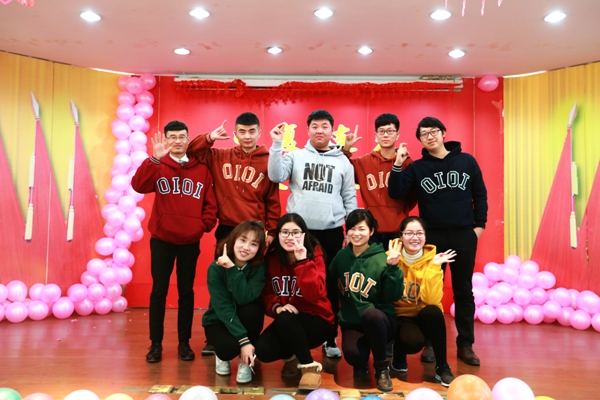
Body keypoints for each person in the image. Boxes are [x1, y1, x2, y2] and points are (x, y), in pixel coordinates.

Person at [388, 116, 488, 366]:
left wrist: (478, 228)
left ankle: (465, 345)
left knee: (463, 290)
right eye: (424, 134)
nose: (430, 136)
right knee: (429, 290)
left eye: (433, 131)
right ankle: (430, 344)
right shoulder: (418, 167)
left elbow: (480, 194)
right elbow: (396, 192)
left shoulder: (467, 161)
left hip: (464, 234)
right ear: (420, 140)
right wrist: (398, 164)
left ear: (444, 133)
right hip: (432, 236)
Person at [187, 112, 281, 355]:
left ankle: (248, 335)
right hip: (228, 229)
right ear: (235, 133)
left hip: (255, 233)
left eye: (251, 131)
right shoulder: (221, 155)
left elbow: (272, 199)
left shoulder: (268, 159)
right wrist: (209, 137)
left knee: (250, 283)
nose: (247, 136)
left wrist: (272, 230)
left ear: (259, 133)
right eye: (242, 131)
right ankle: (216, 337)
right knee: (222, 278)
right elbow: (192, 151)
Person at [268, 110, 357, 359]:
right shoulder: (295, 156)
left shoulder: (343, 162)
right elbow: (275, 175)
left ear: (332, 131)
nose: (320, 130)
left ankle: (330, 337)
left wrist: (350, 230)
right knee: (296, 284)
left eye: (325, 126)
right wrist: (277, 144)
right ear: (307, 130)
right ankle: (293, 336)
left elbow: (349, 196)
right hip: (298, 233)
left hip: (331, 232)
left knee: (328, 286)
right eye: (315, 126)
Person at [131, 120, 217, 363]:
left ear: (188, 139)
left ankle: (184, 343)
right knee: (158, 291)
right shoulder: (158, 165)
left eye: (181, 137)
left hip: (190, 241)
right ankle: (155, 344)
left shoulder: (202, 170)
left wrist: (202, 226)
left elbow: (210, 204)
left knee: (186, 292)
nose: (177, 141)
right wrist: (154, 160)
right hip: (162, 239)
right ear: (166, 140)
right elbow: (138, 186)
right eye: (172, 137)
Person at [255, 213, 334, 390]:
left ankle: (309, 368)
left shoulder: (315, 255)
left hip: (317, 320)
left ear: (304, 234)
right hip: (287, 320)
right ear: (278, 234)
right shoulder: (272, 258)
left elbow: (314, 295)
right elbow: (266, 293)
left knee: (286, 319)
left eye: (296, 232)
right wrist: (277, 307)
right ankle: (292, 358)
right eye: (285, 232)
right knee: (263, 350)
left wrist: (302, 261)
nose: (290, 237)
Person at [328, 209, 404, 392]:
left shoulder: (382, 258)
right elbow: (329, 284)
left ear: (371, 231)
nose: (356, 233)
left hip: (381, 320)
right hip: (353, 322)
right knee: (354, 357)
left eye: (361, 229)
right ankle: (362, 360)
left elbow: (394, 295)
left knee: (371, 315)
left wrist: (393, 269)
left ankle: (382, 368)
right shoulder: (341, 257)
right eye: (352, 229)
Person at [390, 216, 456, 387]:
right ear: (401, 236)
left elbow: (431, 299)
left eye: (419, 233)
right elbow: (389, 295)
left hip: (424, 313)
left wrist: (434, 267)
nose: (415, 237)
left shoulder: (434, 260)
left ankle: (442, 366)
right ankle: (398, 352)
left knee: (434, 311)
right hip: (401, 315)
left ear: (426, 236)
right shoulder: (389, 257)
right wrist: (391, 266)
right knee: (412, 342)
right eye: (409, 233)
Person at [201, 221, 267, 384]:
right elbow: (223, 307)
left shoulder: (259, 268)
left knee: (253, 309)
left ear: (259, 249)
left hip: (245, 318)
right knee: (228, 350)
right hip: (218, 320)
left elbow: (244, 298)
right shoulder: (216, 268)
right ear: (233, 239)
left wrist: (232, 269)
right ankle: (224, 356)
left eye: (253, 244)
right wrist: (243, 341)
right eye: (243, 240)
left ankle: (245, 361)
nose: (246, 247)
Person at [342, 113, 417, 250]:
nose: (385, 135)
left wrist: (400, 211)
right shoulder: (364, 162)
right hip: (371, 232)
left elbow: (413, 196)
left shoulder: (406, 163)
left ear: (398, 134)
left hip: (398, 231)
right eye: (381, 131)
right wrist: (346, 149)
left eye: (390, 131)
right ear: (376, 135)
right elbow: (341, 171)